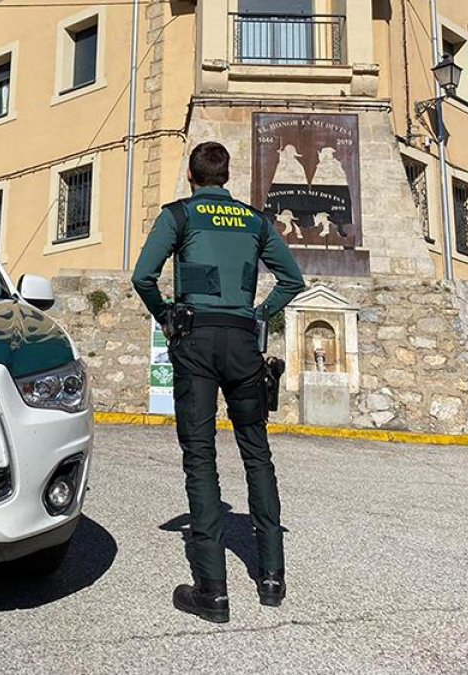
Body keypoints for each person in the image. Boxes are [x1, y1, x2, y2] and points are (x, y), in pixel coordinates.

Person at [131, 141, 306, 623]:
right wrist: (259, 315)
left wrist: (167, 316)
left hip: (197, 340)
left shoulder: (179, 215)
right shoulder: (256, 221)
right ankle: (272, 579)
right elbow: (293, 280)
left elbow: (143, 276)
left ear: (191, 173)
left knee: (200, 456)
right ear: (228, 175)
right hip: (243, 344)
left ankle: (213, 591)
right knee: (257, 453)